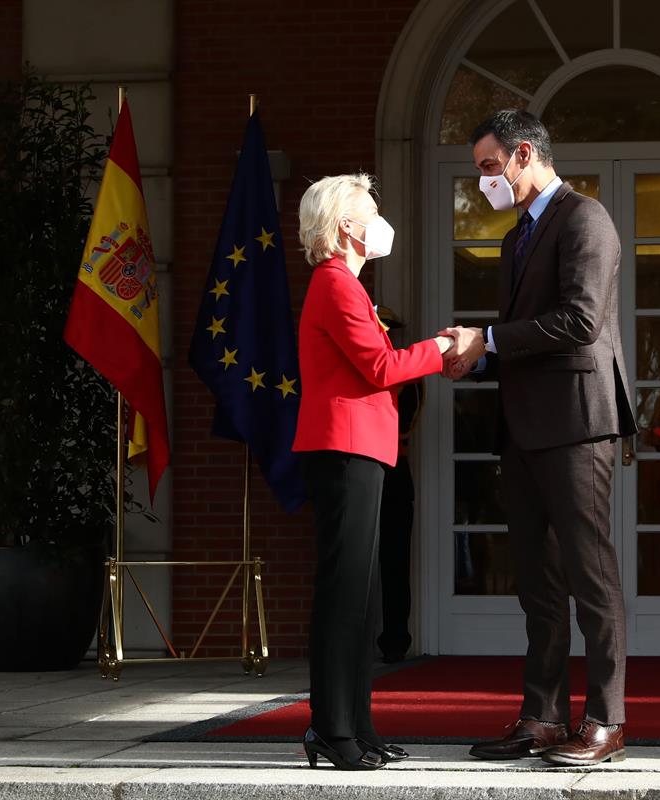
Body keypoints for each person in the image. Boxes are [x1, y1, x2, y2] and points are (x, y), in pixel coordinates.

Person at [442, 109, 636, 767]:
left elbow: (580, 322)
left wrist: (490, 339)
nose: (483, 182)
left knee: (591, 575)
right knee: (539, 584)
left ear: (524, 153)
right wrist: (477, 353)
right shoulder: (513, 239)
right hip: (522, 429)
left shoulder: (586, 220)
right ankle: (544, 717)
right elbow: (525, 336)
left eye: (489, 167)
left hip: (578, 426)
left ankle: (606, 722)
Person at [292, 174, 454, 770]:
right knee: (345, 595)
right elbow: (380, 366)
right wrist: (444, 349)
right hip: (344, 449)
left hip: (360, 447)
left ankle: (354, 728)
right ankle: (331, 729)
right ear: (345, 228)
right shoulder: (335, 283)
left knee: (362, 597)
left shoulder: (347, 286)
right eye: (368, 211)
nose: (376, 221)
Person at [373, 304, 422, 664]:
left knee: (394, 560)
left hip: (392, 466)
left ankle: (394, 638)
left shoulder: (405, 375)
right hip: (371, 464)